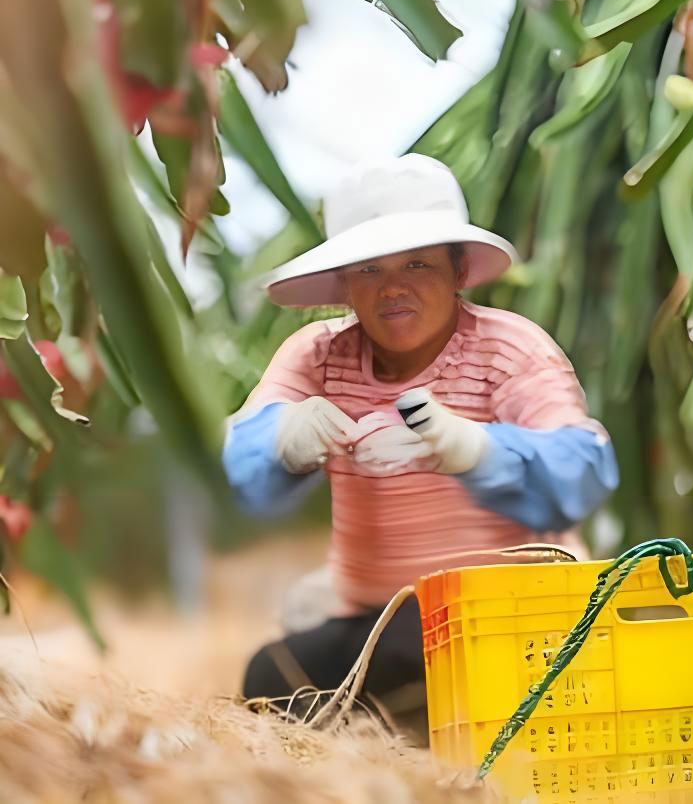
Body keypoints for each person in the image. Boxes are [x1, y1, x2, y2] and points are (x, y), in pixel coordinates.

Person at [225, 154, 618, 736]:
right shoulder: (316, 356)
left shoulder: (510, 350)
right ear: (343, 287)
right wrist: (282, 439)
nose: (393, 289)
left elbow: (582, 468)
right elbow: (245, 463)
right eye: (369, 270)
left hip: (511, 619)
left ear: (459, 270)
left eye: (417, 263)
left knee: (426, 647)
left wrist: (476, 449)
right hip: (378, 624)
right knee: (270, 676)